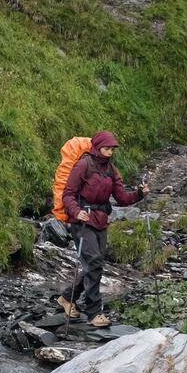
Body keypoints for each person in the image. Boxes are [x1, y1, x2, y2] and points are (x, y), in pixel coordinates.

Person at [57, 131, 149, 327]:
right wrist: (77, 211)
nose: (109, 153)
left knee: (93, 264)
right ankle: (93, 313)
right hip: (82, 221)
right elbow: (68, 195)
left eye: (112, 149)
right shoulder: (83, 165)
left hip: (100, 221)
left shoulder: (111, 170)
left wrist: (140, 194)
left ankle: (67, 297)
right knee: (95, 263)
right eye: (107, 149)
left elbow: (122, 198)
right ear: (97, 147)